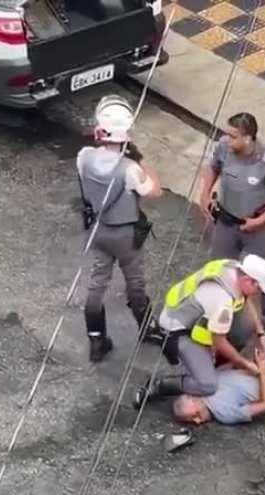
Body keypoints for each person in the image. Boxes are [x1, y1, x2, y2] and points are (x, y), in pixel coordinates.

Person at [77, 94, 163, 362]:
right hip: (126, 235)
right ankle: (147, 328)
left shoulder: (84, 157)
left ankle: (96, 339)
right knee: (134, 283)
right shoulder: (130, 169)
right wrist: (141, 160)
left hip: (98, 230)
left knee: (96, 284)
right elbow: (154, 191)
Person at [199, 112, 265, 350]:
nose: (227, 140)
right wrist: (204, 193)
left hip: (255, 228)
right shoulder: (223, 148)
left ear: (249, 138)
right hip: (226, 223)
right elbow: (212, 167)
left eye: (233, 136)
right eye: (227, 134)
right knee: (217, 272)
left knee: (264, 277)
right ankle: (213, 316)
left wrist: (261, 219)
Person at [133, 254, 265, 408]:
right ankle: (160, 385)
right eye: (258, 288)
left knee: (244, 328)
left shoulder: (231, 267)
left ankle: (209, 365)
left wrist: (261, 334)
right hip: (176, 329)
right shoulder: (222, 300)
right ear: (248, 280)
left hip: (191, 315)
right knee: (208, 385)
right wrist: (245, 364)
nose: (258, 292)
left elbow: (244, 300)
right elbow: (219, 341)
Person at [173, 348, 265, 425]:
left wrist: (257, 361)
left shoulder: (208, 381)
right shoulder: (224, 413)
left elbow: (235, 364)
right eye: (192, 419)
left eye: (193, 416)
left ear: (192, 397)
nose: (197, 421)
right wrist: (261, 371)